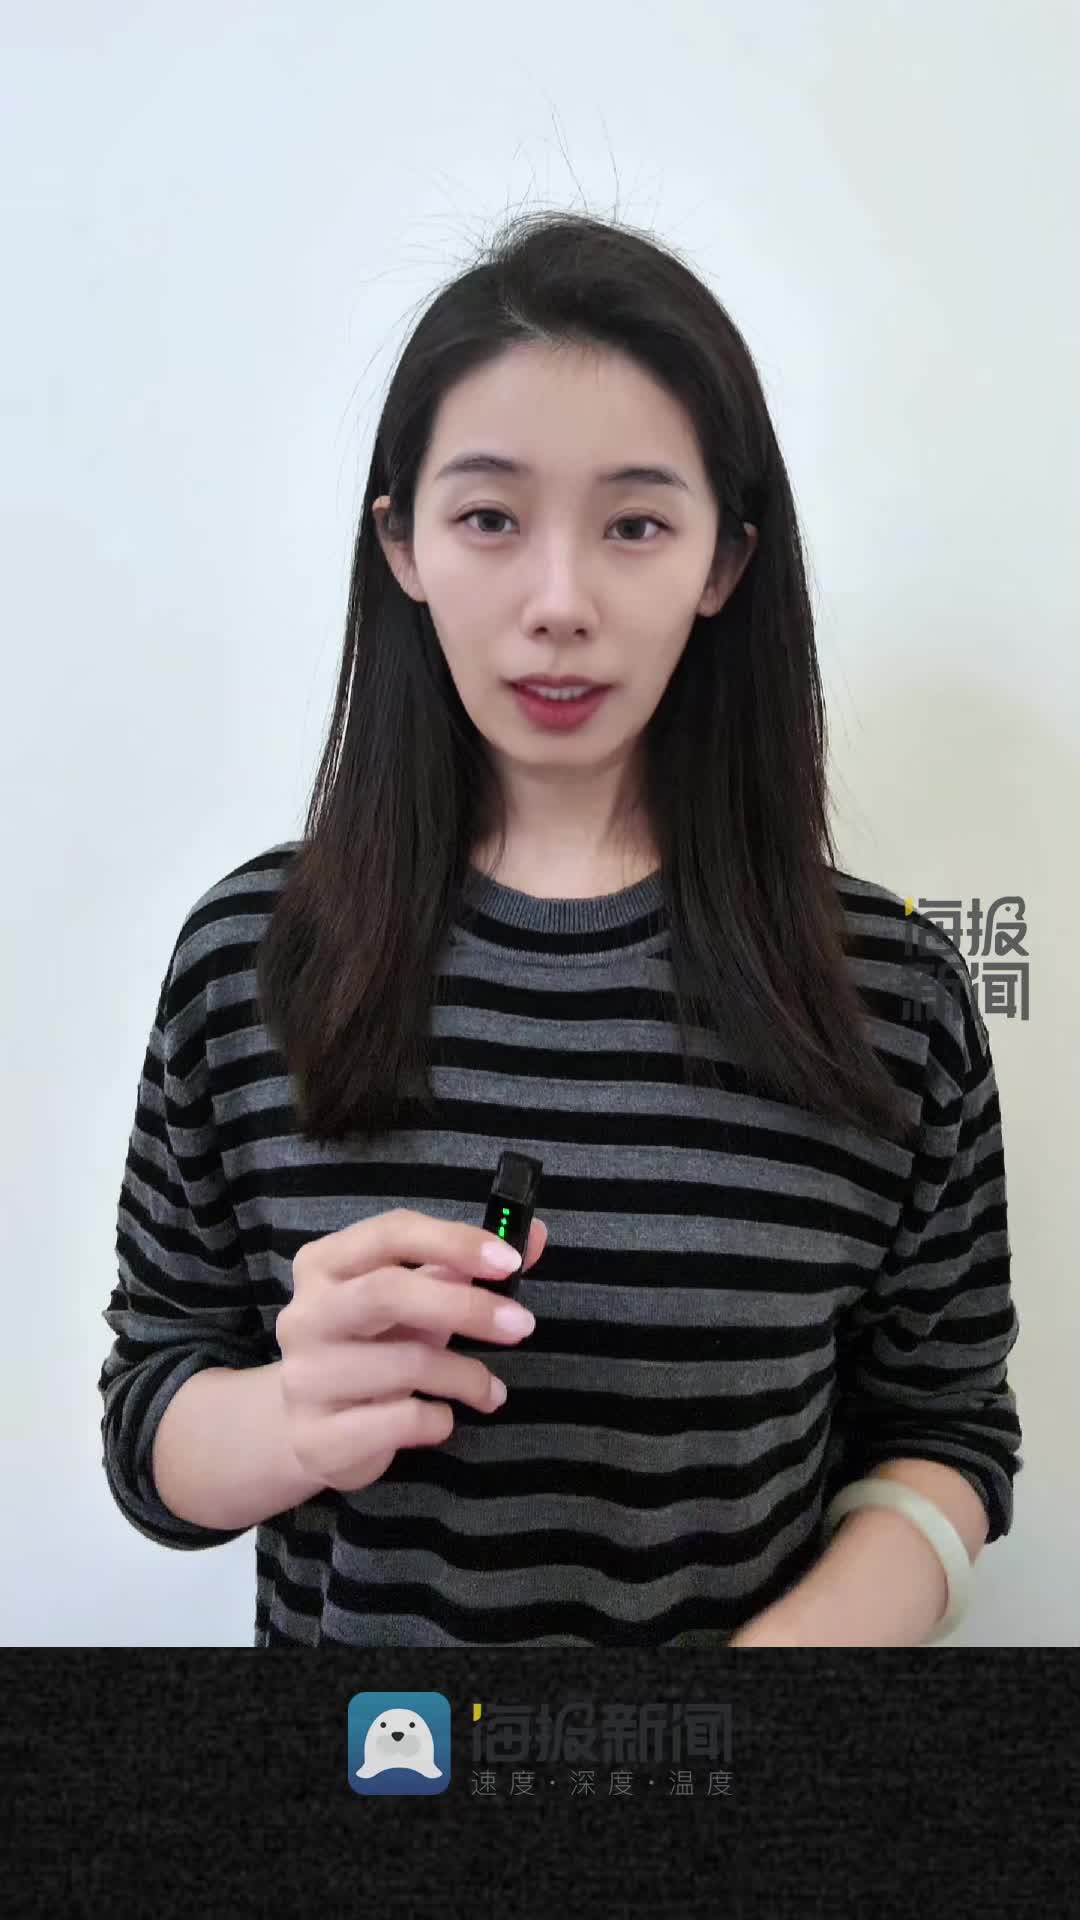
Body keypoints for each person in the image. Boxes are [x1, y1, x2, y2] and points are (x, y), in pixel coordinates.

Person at [99, 208, 1022, 1648]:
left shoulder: (891, 996)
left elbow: (947, 1431)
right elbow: (151, 1422)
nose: (559, 604)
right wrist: (292, 1414)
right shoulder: (251, 955)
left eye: (636, 525)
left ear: (724, 563)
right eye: (489, 518)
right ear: (402, 544)